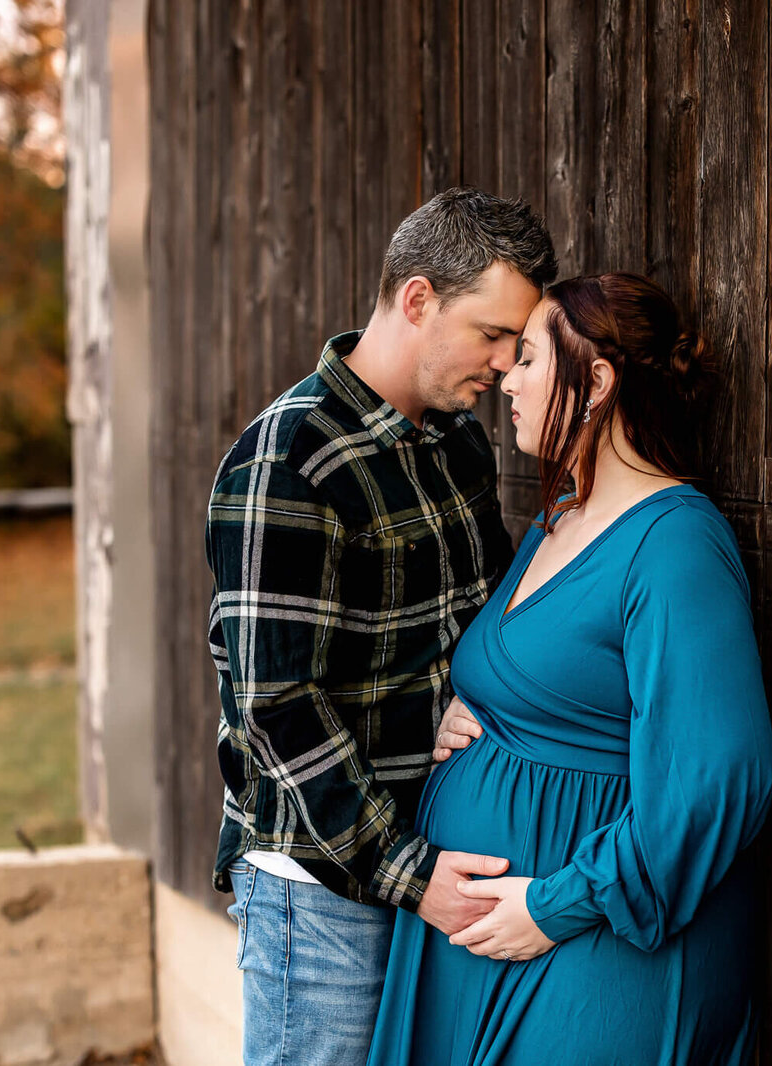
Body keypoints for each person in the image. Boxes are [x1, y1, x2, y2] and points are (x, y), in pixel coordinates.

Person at [367, 272, 772, 1065]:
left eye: (527, 360)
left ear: (595, 381)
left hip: (596, 943)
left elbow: (721, 778)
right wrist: (462, 709)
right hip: (494, 943)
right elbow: (543, 680)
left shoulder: (675, 543)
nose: (506, 381)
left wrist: (556, 905)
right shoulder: (560, 516)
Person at [204, 187, 559, 1066]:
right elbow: (277, 708)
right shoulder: (288, 462)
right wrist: (409, 873)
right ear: (417, 300)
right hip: (323, 893)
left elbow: (478, 622)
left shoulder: (459, 446)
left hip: (435, 857)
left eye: (521, 343)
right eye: (492, 335)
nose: (509, 364)